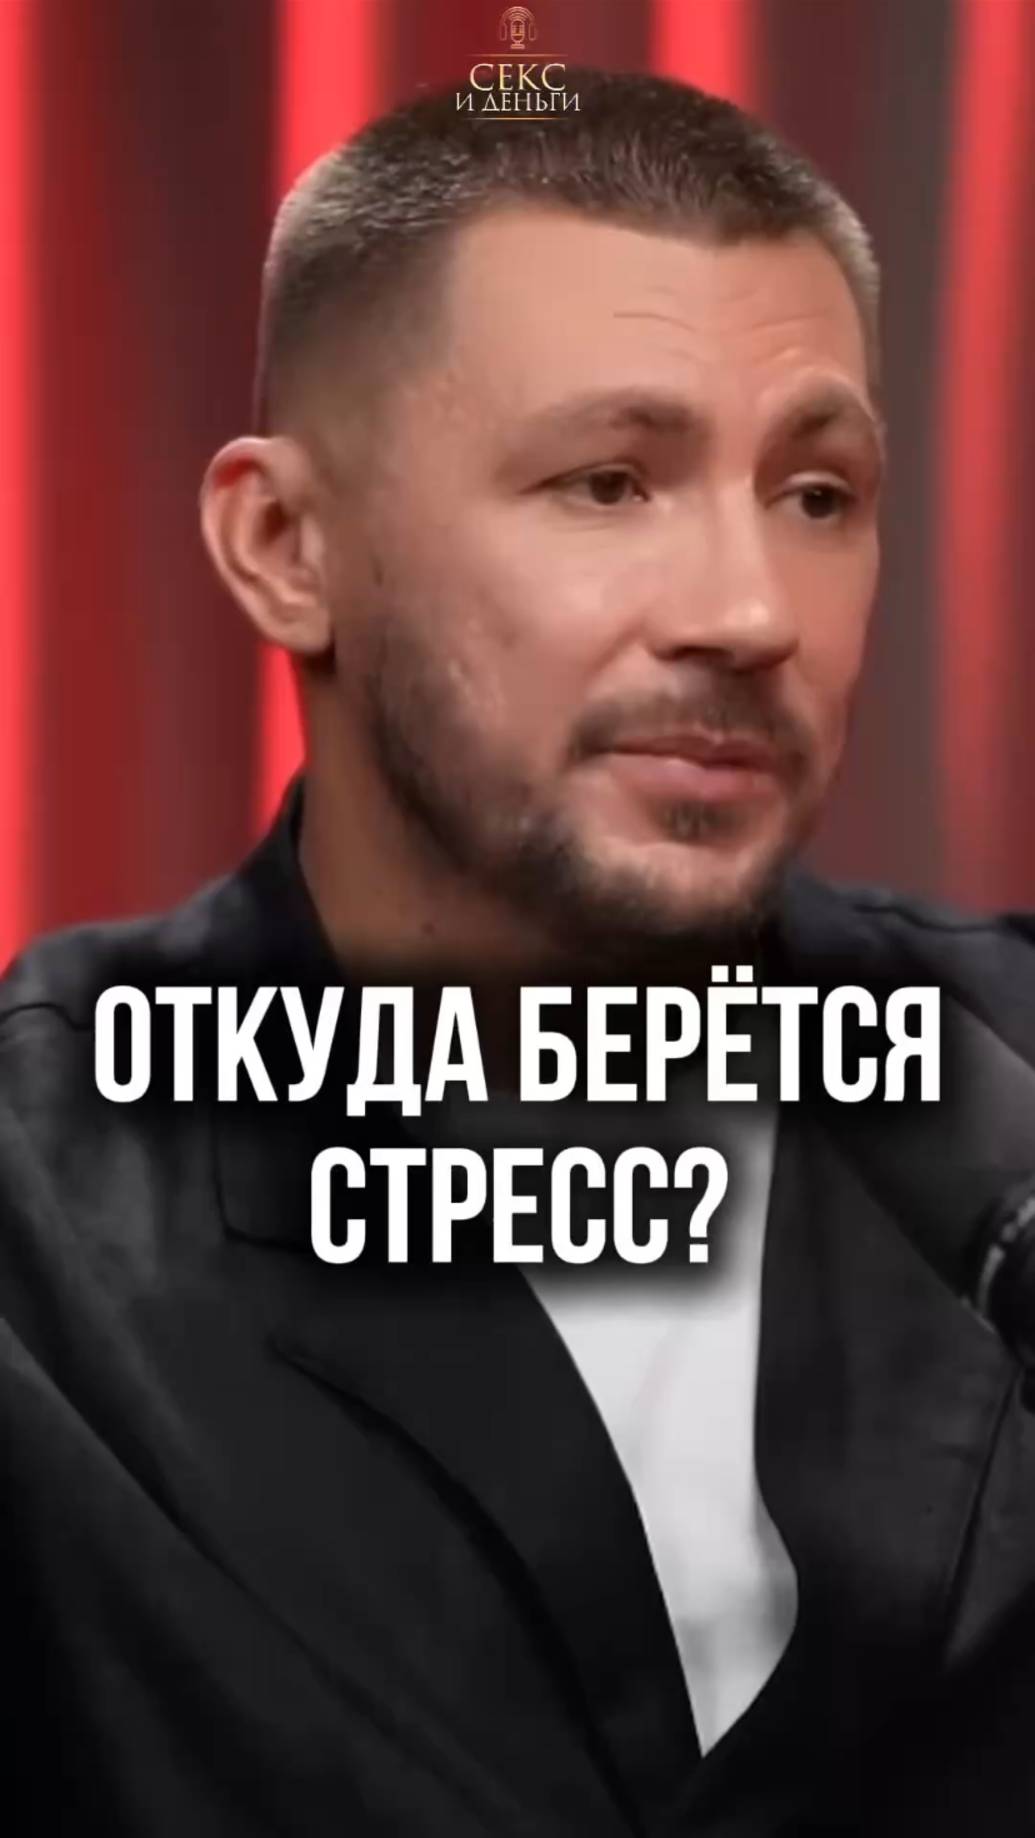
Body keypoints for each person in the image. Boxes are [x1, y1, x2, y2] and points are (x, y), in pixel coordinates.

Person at [3, 68, 1035, 1837]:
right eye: (609, 482)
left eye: (817, 494)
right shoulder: (40, 1226)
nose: (749, 613)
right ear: (284, 545)